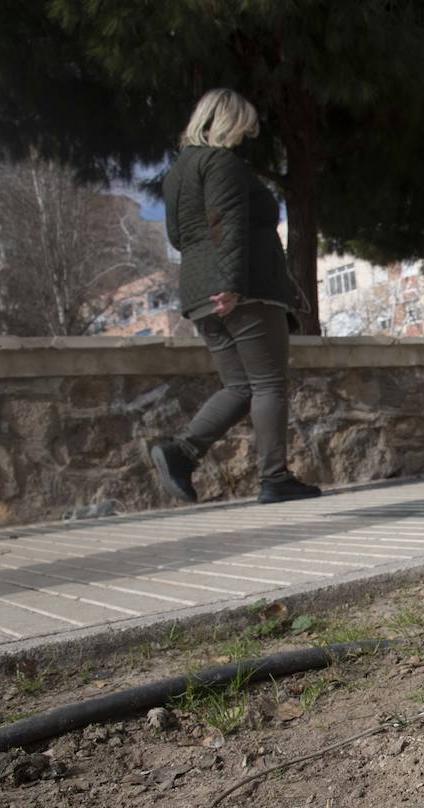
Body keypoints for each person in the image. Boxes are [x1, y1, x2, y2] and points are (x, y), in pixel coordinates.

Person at [150, 88, 321, 505]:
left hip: (199, 293)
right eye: (243, 128)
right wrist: (230, 282)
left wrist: (215, 283)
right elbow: (226, 221)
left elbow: (178, 236)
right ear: (225, 122)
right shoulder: (220, 162)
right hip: (243, 290)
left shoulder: (176, 173)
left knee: (240, 385)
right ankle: (275, 478)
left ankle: (182, 452)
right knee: (268, 385)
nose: (246, 137)